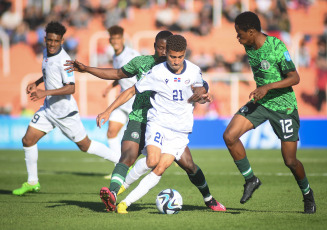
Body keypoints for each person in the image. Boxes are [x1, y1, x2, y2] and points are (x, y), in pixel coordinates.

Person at [65, 31, 224, 212]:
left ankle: (209, 198)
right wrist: (105, 104)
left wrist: (202, 94)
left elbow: (199, 84)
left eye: (170, 52)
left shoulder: (189, 68)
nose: (166, 54)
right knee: (131, 157)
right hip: (144, 118)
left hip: (174, 125)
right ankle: (114, 193)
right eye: (162, 48)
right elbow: (120, 76)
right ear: (155, 46)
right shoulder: (146, 66)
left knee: (189, 165)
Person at [223, 11, 316, 214]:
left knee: (290, 161)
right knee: (229, 136)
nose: (237, 38)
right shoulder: (248, 45)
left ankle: (308, 195)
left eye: (240, 34)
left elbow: (295, 78)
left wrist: (267, 87)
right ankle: (251, 179)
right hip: (262, 103)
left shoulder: (276, 47)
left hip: (284, 106)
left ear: (252, 31)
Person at [12, 21, 119, 196]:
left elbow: (71, 88)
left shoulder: (65, 60)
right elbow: (49, 73)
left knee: (85, 146)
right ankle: (32, 182)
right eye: (49, 40)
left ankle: (120, 162)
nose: (52, 44)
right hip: (48, 110)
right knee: (28, 140)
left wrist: (44, 92)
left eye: (56, 41)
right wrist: (37, 83)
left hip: (65, 113)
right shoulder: (47, 53)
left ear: (62, 41)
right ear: (46, 39)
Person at [102, 25, 139, 159]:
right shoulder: (115, 56)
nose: (116, 41)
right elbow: (120, 75)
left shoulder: (132, 55)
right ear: (110, 41)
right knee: (111, 132)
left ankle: (170, 153)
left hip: (136, 100)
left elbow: (143, 73)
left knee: (145, 138)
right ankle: (119, 166)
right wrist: (110, 86)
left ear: (122, 39)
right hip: (123, 100)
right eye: (113, 38)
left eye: (118, 38)